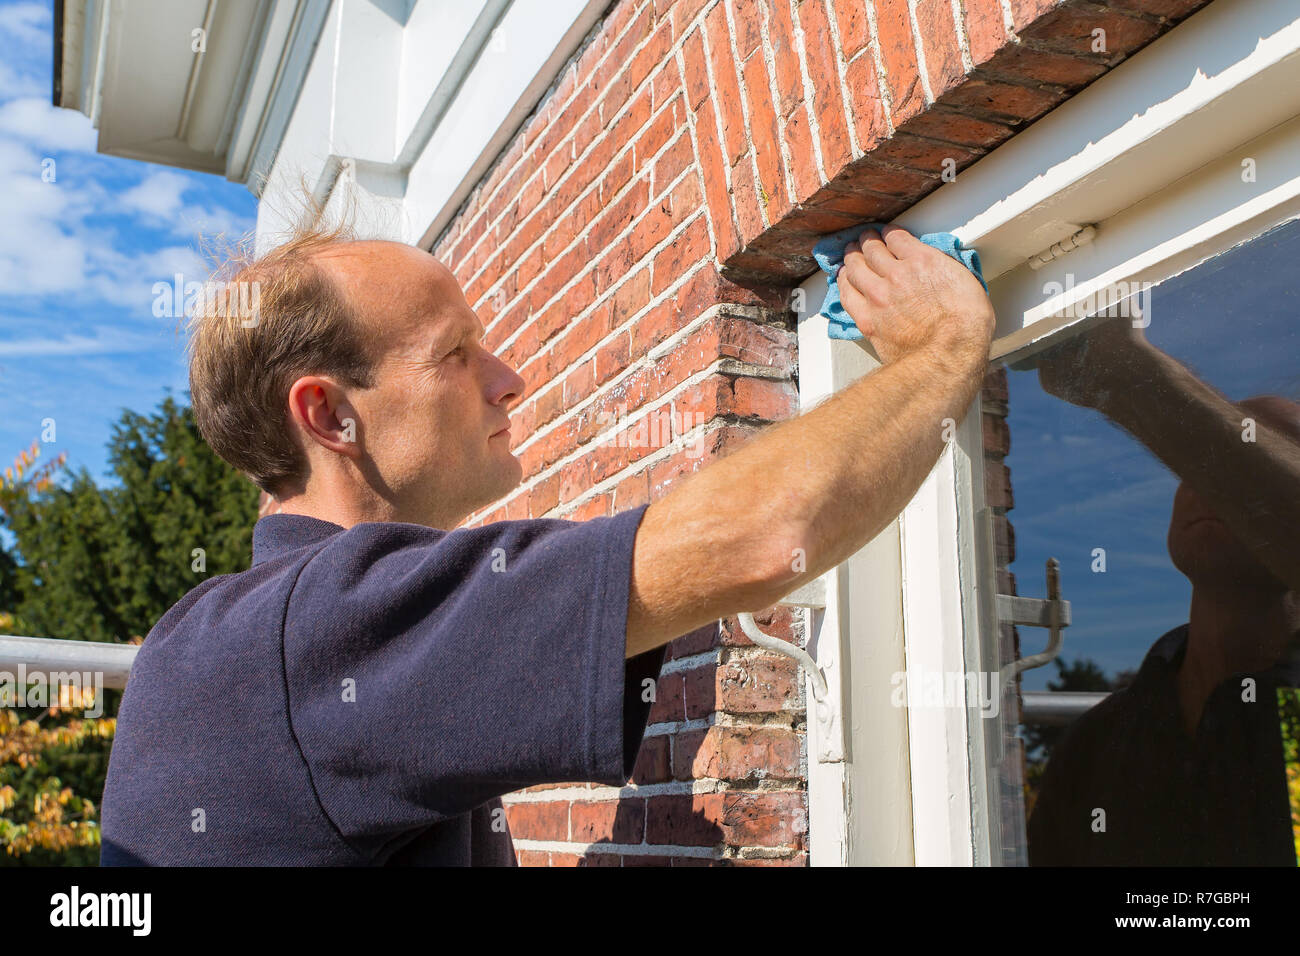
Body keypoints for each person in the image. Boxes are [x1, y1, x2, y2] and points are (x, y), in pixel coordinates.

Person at [99, 222, 996, 865]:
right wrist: (944, 348)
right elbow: (767, 538)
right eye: (456, 354)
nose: (508, 379)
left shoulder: (226, 636)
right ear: (330, 413)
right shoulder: (318, 628)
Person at [1025, 317, 1300, 865]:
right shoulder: (1097, 742)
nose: (1205, 483)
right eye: (1195, 464)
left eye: (1241, 464)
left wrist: (1119, 364)